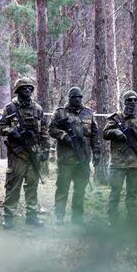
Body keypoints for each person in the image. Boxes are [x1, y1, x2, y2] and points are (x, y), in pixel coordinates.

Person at [0, 77, 49, 229]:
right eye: (24, 88)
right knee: (13, 187)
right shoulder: (10, 108)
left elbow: (44, 131)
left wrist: (46, 151)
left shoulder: (38, 109)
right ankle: (8, 217)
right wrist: (12, 132)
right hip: (17, 156)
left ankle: (32, 216)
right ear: (17, 90)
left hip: (34, 154)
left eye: (29, 88)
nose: (27, 90)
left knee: (32, 186)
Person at [48, 86, 98, 225]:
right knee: (63, 188)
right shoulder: (60, 113)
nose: (77, 99)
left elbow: (94, 134)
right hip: (66, 159)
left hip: (83, 159)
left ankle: (77, 218)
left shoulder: (88, 113)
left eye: (80, 97)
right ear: (69, 99)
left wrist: (97, 152)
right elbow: (51, 129)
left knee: (80, 190)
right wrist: (64, 136)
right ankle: (59, 216)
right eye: (74, 97)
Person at [102, 90, 137, 223]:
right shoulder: (116, 118)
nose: (132, 102)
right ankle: (112, 219)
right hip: (118, 162)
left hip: (135, 163)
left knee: (132, 194)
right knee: (115, 192)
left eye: (135, 100)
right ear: (124, 102)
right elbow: (105, 133)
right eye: (129, 100)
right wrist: (115, 132)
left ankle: (132, 220)